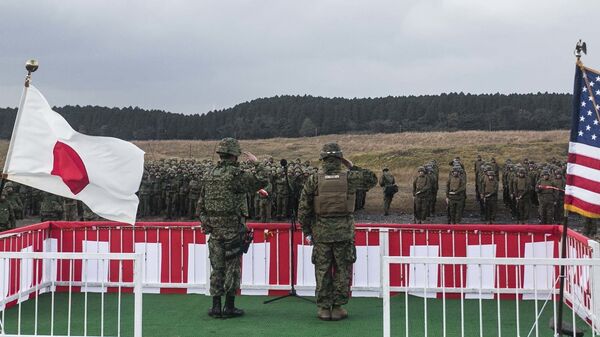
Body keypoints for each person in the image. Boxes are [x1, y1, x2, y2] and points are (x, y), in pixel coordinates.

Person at [298, 142, 376, 321]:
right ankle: (338, 307)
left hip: (321, 234)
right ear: (340, 158)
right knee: (342, 269)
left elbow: (303, 208)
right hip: (344, 234)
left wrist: (307, 231)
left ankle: (324, 308)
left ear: (322, 159)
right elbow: (371, 179)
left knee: (322, 270)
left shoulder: (314, 179)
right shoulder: (349, 177)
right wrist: (351, 165)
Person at [197, 138, 268, 319]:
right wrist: (257, 163)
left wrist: (207, 224)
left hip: (215, 231)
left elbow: (200, 207)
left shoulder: (209, 174)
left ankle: (215, 307)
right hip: (233, 230)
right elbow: (262, 180)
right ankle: (229, 307)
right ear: (235, 155)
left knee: (217, 268)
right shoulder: (236, 176)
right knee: (232, 268)